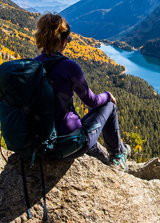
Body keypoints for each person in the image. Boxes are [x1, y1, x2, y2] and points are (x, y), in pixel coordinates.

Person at [34, 12, 130, 171]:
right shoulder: (68, 66)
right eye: (68, 40)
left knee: (82, 131)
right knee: (109, 107)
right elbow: (91, 101)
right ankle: (118, 156)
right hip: (65, 144)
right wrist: (108, 95)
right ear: (63, 41)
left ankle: (106, 161)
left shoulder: (33, 66)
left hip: (41, 144)